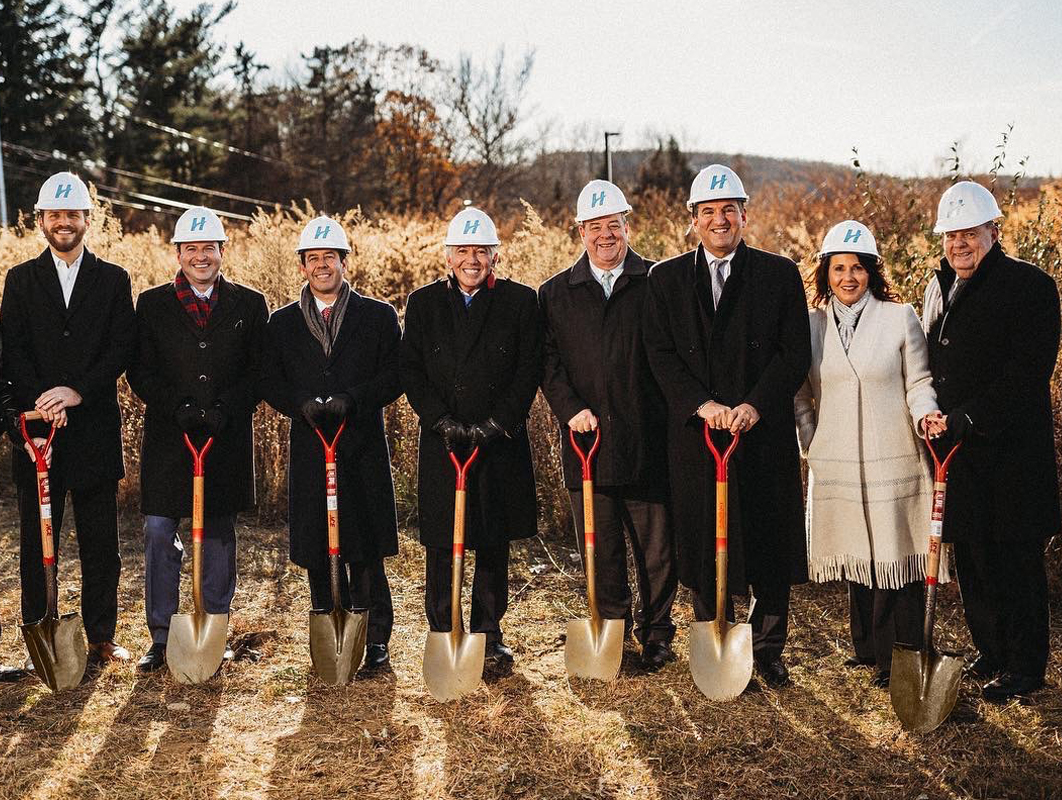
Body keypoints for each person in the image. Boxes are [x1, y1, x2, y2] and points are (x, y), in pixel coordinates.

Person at [643, 164, 810, 687]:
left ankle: (768, 646)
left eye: (729, 210)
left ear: (744, 215)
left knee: (768, 536)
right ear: (692, 220)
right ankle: (713, 631)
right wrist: (700, 404)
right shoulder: (665, 278)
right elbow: (659, 353)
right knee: (702, 534)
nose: (720, 220)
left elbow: (794, 352)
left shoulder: (778, 274)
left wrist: (756, 405)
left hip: (761, 433)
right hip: (698, 436)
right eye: (708, 212)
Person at [922, 181, 1060, 702]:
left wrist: (967, 417)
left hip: (1010, 455)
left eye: (970, 233)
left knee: (1014, 562)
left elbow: (1026, 375)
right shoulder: (941, 288)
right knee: (975, 558)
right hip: (959, 453)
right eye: (950, 235)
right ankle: (992, 651)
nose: (959, 244)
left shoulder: (1030, 286)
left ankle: (1025, 666)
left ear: (994, 231)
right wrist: (934, 416)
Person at [794, 220, 946, 687]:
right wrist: (812, 442)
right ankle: (866, 648)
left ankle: (896, 657)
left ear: (872, 272)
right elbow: (800, 396)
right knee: (856, 552)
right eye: (838, 268)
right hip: (835, 459)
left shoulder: (899, 318)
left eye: (857, 268)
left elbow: (919, 382)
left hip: (894, 453)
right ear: (825, 273)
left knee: (895, 556)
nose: (848, 277)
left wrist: (928, 416)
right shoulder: (813, 326)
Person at [539, 180, 677, 671]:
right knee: (601, 549)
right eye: (594, 227)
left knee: (656, 551)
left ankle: (657, 633)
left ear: (627, 225)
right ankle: (612, 631)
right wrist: (569, 407)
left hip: (646, 439)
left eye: (612, 225)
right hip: (586, 443)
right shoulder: (555, 292)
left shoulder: (657, 282)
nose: (605, 235)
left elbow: (671, 357)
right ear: (580, 231)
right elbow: (548, 363)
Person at [1, 171, 136, 666]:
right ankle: (40, 631)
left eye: (72, 215)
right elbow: (11, 351)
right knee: (39, 540)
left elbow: (121, 348)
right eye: (54, 215)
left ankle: (101, 635)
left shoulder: (113, 279)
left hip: (94, 430)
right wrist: (39, 403)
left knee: (101, 542)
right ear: (40, 220)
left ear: (87, 219)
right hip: (38, 432)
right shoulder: (19, 280)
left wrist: (75, 391)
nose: (64, 223)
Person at [127, 207, 268, 673]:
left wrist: (227, 408)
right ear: (179, 253)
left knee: (219, 533)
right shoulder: (151, 305)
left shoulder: (250, 304)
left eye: (209, 247)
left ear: (222, 251)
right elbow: (140, 371)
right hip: (172, 437)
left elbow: (258, 371)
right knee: (158, 530)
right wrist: (178, 407)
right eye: (192, 248)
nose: (201, 256)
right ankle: (162, 634)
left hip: (224, 437)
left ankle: (214, 626)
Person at [400, 207, 542, 669]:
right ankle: (443, 628)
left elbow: (527, 371)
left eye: (481, 251)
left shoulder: (521, 302)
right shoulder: (423, 304)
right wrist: (439, 420)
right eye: (463, 251)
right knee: (442, 540)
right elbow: (413, 370)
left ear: (495, 256)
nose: (472, 260)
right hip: (444, 441)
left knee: (492, 539)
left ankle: (487, 629)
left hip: (496, 440)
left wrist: (496, 424)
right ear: (448, 257)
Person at [261, 216, 401, 672]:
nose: (322, 265)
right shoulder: (281, 323)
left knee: (364, 543)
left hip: (359, 445)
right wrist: (298, 404)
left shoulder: (377, 316)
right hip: (311, 444)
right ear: (302, 266)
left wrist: (354, 399)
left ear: (345, 261)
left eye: (331, 257)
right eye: (313, 258)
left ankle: (375, 638)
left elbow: (395, 375)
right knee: (318, 541)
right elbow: (269, 379)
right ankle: (326, 618)